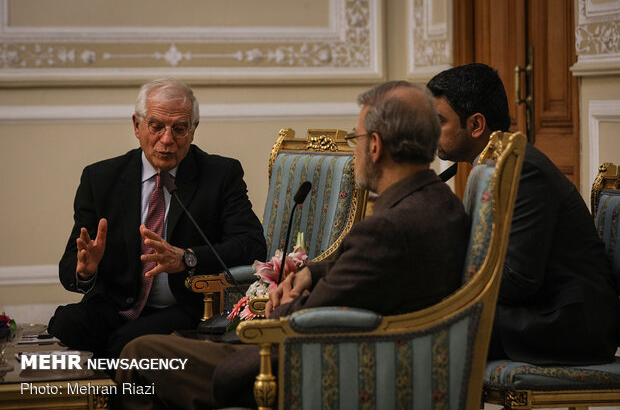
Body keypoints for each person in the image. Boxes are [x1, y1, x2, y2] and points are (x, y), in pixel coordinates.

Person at [115, 81, 471, 409]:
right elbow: (375, 272)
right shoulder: (442, 204)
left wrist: (280, 308)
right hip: (376, 357)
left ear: (375, 146)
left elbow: (307, 319)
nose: (357, 148)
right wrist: (311, 274)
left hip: (294, 367)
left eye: (356, 138)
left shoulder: (386, 229)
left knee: (139, 354)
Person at [48, 77, 267, 359]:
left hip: (183, 307)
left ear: (193, 130)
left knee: (126, 345)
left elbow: (251, 244)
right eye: (156, 126)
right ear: (137, 126)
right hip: (115, 304)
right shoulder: (101, 179)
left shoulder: (220, 175)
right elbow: (70, 266)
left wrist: (187, 257)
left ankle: (119, 401)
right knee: (66, 325)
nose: (167, 139)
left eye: (179, 128)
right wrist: (86, 271)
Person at [427, 63, 619, 365]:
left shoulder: (522, 169)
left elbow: (519, 281)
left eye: (439, 121)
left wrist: (442, 280)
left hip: (566, 321)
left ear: (476, 125)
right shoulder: (494, 164)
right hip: (538, 308)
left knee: (428, 330)